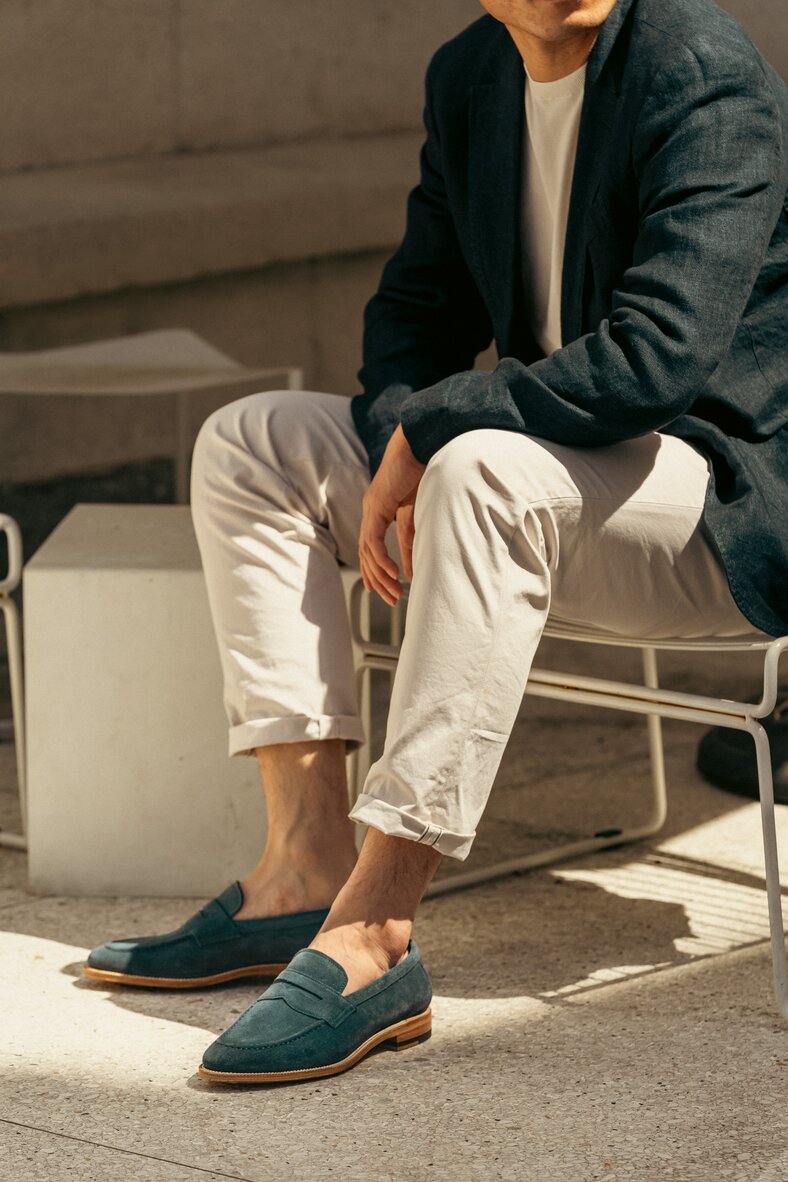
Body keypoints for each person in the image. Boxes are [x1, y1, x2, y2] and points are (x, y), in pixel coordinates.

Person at [84, 0, 788, 1084]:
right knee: (254, 439)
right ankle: (302, 867)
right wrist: (402, 446)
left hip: (711, 502)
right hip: (538, 472)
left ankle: (374, 934)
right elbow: (410, 313)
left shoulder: (697, 67)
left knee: (476, 462)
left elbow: (659, 357)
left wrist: (437, 428)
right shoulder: (470, 76)